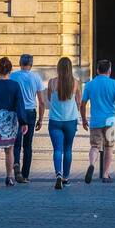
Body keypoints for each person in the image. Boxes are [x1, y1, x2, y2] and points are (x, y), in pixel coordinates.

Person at [0, 57, 28, 189]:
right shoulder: (15, 85)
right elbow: (19, 104)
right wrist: (23, 121)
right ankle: (9, 177)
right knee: (9, 150)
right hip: (10, 118)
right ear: (10, 70)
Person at [80, 59, 115, 184]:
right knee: (109, 148)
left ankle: (91, 164)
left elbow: (83, 104)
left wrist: (84, 119)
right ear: (109, 71)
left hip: (95, 121)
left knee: (95, 147)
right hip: (111, 121)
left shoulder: (89, 85)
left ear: (97, 70)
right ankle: (105, 175)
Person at [47, 57, 82, 189]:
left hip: (55, 120)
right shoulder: (76, 83)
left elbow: (49, 99)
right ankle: (66, 178)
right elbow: (79, 102)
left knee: (57, 149)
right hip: (70, 121)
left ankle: (58, 175)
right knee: (68, 149)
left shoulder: (51, 82)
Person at [12, 54, 46, 184]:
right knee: (27, 145)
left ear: (20, 63)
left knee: (16, 142)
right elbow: (42, 101)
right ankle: (25, 175)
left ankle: (16, 163)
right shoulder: (36, 77)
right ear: (31, 64)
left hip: (17, 111)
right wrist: (41, 120)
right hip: (30, 112)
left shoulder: (14, 76)